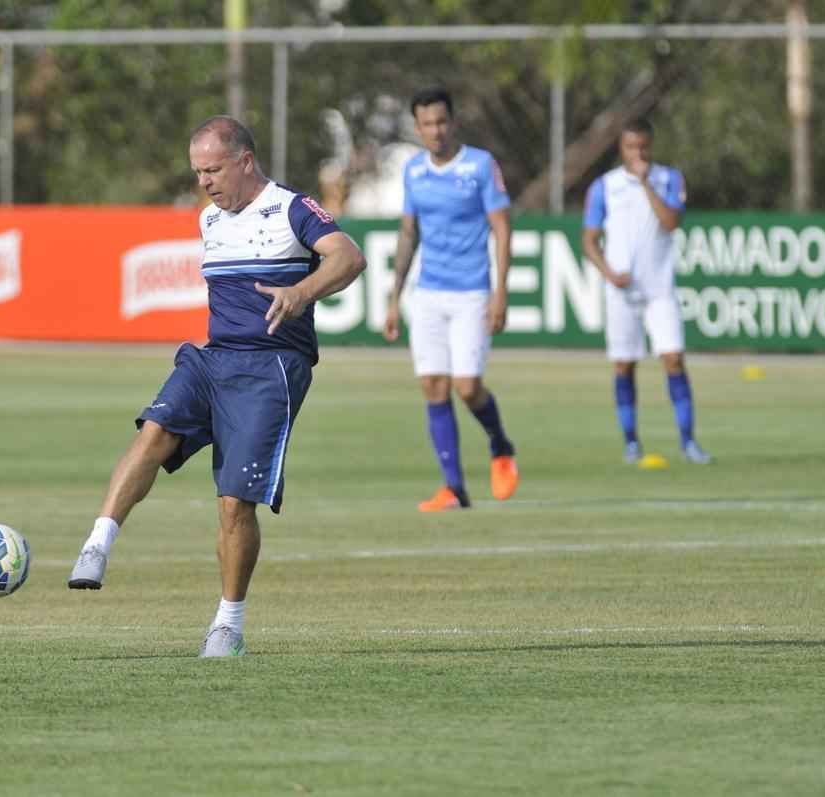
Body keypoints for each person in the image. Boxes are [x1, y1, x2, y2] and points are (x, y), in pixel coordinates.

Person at [67, 115, 366, 657]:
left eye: (213, 169)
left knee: (233, 505)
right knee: (154, 429)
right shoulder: (209, 219)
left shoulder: (292, 209)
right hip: (213, 361)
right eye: (198, 171)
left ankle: (228, 624)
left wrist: (300, 292)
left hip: (271, 368)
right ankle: (97, 544)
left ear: (245, 161)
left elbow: (348, 256)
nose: (205, 181)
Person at [382, 87, 519, 512]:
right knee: (432, 386)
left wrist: (501, 291)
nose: (435, 131)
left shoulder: (479, 165)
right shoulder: (414, 172)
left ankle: (500, 444)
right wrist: (394, 297)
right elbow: (409, 233)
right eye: (427, 124)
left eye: (441, 122)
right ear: (418, 128)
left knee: (467, 386)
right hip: (428, 294)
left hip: (472, 292)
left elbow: (501, 227)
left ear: (452, 121)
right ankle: (454, 488)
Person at [581, 118, 713, 465]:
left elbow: (671, 223)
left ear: (650, 145)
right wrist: (609, 272)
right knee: (624, 365)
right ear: (620, 148)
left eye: (643, 146)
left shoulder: (668, 179)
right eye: (630, 147)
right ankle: (630, 441)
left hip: (659, 288)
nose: (637, 153)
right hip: (622, 291)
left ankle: (687, 442)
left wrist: (646, 186)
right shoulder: (603, 187)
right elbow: (589, 240)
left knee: (673, 358)